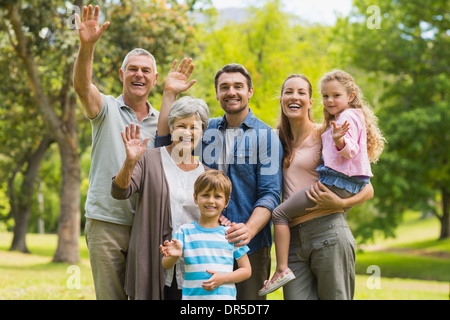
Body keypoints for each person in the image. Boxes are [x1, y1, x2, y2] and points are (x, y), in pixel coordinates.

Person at [157, 63, 283, 300]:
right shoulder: (206, 129)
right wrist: (169, 95)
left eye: (238, 86)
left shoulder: (266, 137)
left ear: (250, 91)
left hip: (250, 246)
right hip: (205, 243)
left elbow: (271, 194)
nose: (231, 92)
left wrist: (249, 229)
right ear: (217, 94)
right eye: (224, 87)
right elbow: (166, 144)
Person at [259, 73, 381, 299]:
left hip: (328, 231)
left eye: (301, 92)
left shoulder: (326, 135)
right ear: (281, 100)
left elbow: (367, 188)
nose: (294, 97)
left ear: (310, 102)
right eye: (289, 92)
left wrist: (341, 202)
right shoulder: (275, 140)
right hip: (292, 240)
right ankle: (281, 269)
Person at [73, 5, 162, 300]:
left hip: (146, 226)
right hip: (107, 222)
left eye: (145, 70)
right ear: (122, 73)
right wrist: (87, 46)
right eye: (133, 69)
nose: (139, 75)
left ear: (154, 78)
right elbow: (83, 87)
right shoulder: (106, 108)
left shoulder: (161, 122)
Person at [110, 96, 210, 300]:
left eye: (195, 127)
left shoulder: (206, 174)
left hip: (193, 268)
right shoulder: (149, 159)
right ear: (171, 128)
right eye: (181, 125)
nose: (188, 132)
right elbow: (119, 192)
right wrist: (130, 162)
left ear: (202, 132)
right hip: (154, 261)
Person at [160, 170, 252, 300]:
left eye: (217, 196)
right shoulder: (184, 232)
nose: (210, 201)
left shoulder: (231, 233)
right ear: (195, 198)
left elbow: (246, 270)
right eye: (205, 195)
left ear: (226, 201)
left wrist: (223, 278)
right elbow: (165, 264)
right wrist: (173, 257)